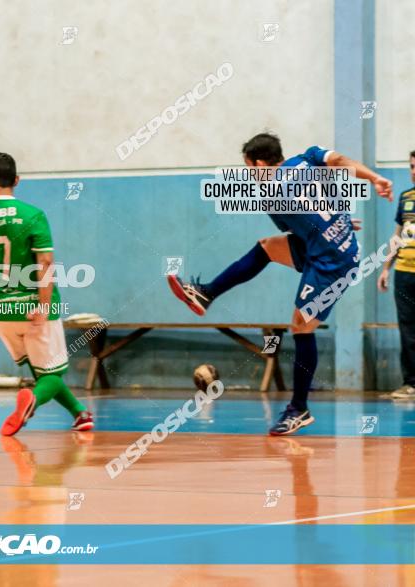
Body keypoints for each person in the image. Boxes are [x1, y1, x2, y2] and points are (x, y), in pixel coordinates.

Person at [168, 133, 392, 435]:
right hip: (334, 244)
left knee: (301, 326)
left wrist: (322, 221)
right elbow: (338, 162)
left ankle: (299, 409)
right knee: (267, 247)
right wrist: (375, 178)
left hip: (332, 262)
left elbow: (295, 223)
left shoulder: (272, 195)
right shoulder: (309, 156)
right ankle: (206, 294)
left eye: (250, 170)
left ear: (260, 164)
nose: (252, 177)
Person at [0, 152, 94, 436]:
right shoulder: (33, 215)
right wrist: (43, 305)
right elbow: (45, 262)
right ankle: (33, 399)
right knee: (54, 374)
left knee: (42, 370)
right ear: (17, 180)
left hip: (0, 310)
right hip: (33, 305)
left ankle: (79, 413)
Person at [378, 150, 415, 399]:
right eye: (412, 166)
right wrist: (385, 268)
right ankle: (411, 384)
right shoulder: (405, 198)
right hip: (404, 272)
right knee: (408, 329)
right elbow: (397, 235)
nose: (414, 171)